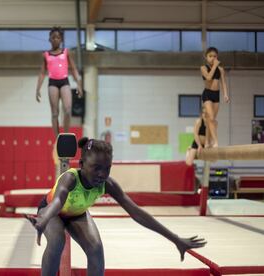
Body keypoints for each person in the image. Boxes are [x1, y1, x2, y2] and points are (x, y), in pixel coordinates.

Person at [26, 137, 207, 276]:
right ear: (81, 164)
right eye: (96, 167)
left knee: (96, 249)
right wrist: (44, 219)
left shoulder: (107, 184)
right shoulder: (71, 178)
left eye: (107, 168)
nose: (102, 174)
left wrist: (175, 239)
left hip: (77, 214)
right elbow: (57, 201)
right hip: (51, 211)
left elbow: (136, 212)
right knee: (57, 241)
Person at [35, 26, 83, 138]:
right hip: (53, 83)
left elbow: (74, 69)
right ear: (50, 39)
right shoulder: (46, 55)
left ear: (61, 39)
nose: (55, 39)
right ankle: (57, 138)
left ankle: (65, 135)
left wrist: (79, 85)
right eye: (53, 37)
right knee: (55, 113)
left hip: (64, 82)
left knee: (67, 110)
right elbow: (42, 73)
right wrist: (37, 89)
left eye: (58, 37)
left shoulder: (66, 52)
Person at [200, 47, 229, 147]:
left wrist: (225, 94)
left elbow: (223, 83)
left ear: (217, 57)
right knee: (211, 118)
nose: (213, 58)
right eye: (210, 56)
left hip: (216, 95)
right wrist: (215, 65)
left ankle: (208, 141)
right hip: (207, 94)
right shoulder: (203, 68)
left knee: (211, 120)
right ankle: (215, 141)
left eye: (215, 56)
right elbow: (208, 77)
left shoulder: (220, 70)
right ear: (206, 57)